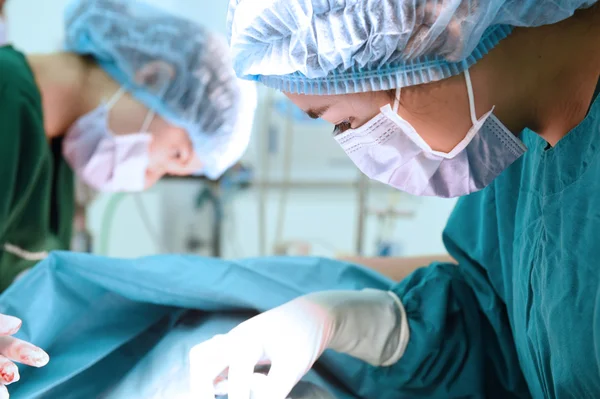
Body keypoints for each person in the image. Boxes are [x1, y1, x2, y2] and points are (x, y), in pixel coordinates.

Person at [190, 1, 600, 398]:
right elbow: (502, 337)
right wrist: (354, 324)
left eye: (344, 122)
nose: (363, 151)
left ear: (432, 29)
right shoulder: (516, 169)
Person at [0, 0, 256, 396]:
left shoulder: (56, 168)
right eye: (174, 158)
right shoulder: (6, 99)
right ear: (153, 76)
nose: (149, 180)